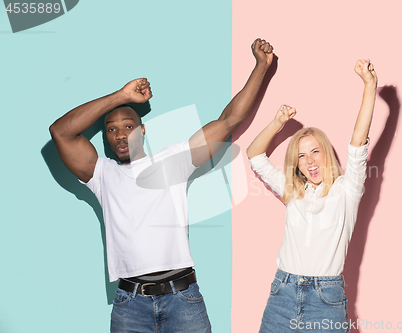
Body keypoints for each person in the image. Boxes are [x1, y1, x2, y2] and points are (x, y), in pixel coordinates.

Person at [49, 38, 274, 333]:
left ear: (142, 129)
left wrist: (261, 66)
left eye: (128, 126)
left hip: (183, 299)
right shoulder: (101, 174)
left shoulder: (174, 161)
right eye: (111, 129)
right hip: (130, 304)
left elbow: (229, 120)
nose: (119, 135)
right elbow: (60, 132)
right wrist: (120, 96)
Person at [246, 59, 377, 333]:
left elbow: (357, 143)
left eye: (315, 151)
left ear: (326, 153)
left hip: (325, 300)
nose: (310, 161)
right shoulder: (294, 192)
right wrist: (277, 122)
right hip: (282, 292)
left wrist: (369, 85)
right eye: (302, 156)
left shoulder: (347, 189)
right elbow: (255, 155)